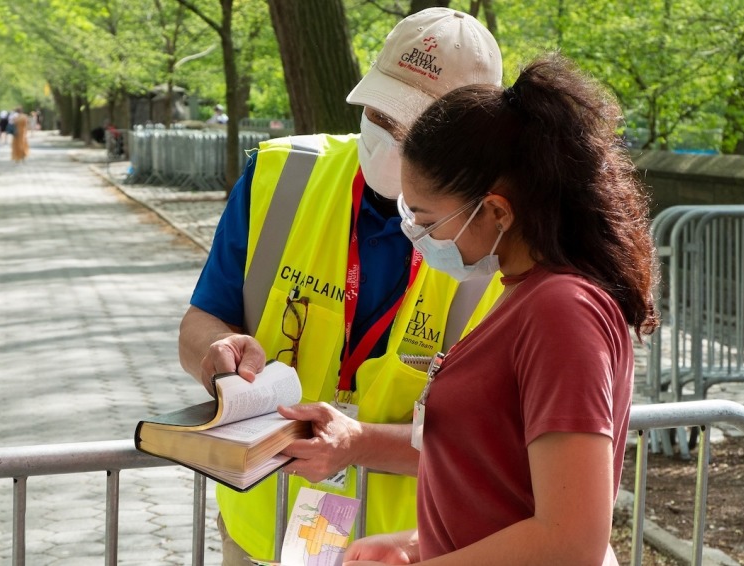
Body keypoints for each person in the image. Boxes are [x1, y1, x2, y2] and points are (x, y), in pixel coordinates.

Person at [178, 8, 503, 564]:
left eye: (413, 126)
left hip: (405, 547)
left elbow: (496, 449)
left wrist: (358, 442)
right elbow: (200, 323)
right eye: (379, 113)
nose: (388, 139)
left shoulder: (496, 236)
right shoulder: (278, 177)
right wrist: (216, 354)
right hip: (261, 526)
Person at [343, 53, 659, 566]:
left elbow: (569, 540)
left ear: (495, 211)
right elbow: (507, 493)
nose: (418, 237)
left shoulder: (561, 311)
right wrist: (416, 546)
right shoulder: (527, 292)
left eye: (424, 218)